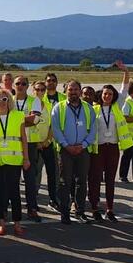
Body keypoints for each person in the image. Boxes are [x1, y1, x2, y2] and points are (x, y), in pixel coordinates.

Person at [0, 89, 31, 236]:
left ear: (9, 101)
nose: (1, 102)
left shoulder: (18, 116)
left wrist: (26, 158)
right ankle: (1, 223)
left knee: (14, 192)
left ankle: (17, 223)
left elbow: (23, 139)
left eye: (4, 99)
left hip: (13, 160)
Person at [89, 85, 133, 221]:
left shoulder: (117, 107)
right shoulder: (94, 109)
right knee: (95, 179)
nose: (107, 96)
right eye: (105, 94)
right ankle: (94, 208)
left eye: (110, 94)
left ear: (113, 96)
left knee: (110, 180)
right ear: (101, 95)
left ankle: (110, 209)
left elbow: (124, 88)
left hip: (113, 148)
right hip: (98, 148)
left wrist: (126, 71)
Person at [52, 80, 96, 224]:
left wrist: (83, 145)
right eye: (70, 89)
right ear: (66, 91)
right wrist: (66, 145)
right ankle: (65, 213)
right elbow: (56, 129)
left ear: (80, 91)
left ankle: (80, 211)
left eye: (76, 89)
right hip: (66, 150)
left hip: (83, 150)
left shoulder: (89, 108)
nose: (73, 92)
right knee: (65, 182)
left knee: (82, 182)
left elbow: (93, 130)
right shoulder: (59, 108)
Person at [12, 75, 45, 222]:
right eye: (18, 83)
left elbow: (35, 120)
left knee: (30, 178)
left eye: (23, 84)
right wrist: (25, 120)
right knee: (12, 178)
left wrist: (15, 122)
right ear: (13, 85)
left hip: (30, 144)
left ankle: (32, 208)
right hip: (13, 143)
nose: (20, 86)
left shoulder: (34, 100)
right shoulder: (8, 100)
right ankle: (14, 209)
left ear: (27, 86)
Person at [33, 80, 59, 209]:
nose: (40, 92)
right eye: (37, 89)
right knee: (34, 174)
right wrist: (36, 143)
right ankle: (33, 200)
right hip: (33, 145)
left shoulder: (49, 105)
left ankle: (53, 199)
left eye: (43, 90)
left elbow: (52, 125)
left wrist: (47, 141)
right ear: (33, 90)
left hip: (47, 144)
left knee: (52, 173)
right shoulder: (30, 105)